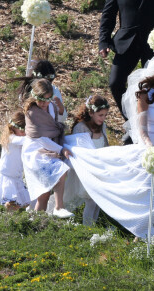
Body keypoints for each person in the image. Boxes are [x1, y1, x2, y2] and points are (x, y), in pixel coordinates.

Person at [63, 54, 154, 246]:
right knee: (148, 192)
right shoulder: (144, 93)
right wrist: (149, 148)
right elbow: (141, 126)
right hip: (151, 147)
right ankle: (140, 231)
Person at [21, 79, 74, 217]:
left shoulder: (51, 106)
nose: (44, 104)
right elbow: (40, 137)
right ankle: (58, 207)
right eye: (41, 100)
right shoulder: (32, 113)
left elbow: (57, 121)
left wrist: (61, 109)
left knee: (44, 194)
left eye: (47, 100)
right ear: (34, 97)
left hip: (49, 146)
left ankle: (35, 224)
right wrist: (61, 149)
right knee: (60, 169)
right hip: (35, 151)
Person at [69, 95, 110, 226]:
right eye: (100, 115)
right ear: (91, 112)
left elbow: (105, 146)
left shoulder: (102, 126)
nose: (103, 118)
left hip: (99, 167)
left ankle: (93, 224)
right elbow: (78, 150)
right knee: (91, 200)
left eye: (105, 115)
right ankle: (88, 228)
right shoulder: (81, 128)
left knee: (98, 200)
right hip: (86, 169)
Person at [0, 110, 30, 211]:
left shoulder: (21, 138)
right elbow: (25, 140)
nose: (24, 134)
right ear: (13, 128)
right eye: (22, 132)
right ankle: (8, 217)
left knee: (23, 202)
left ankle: (14, 217)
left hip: (17, 176)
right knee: (11, 202)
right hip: (7, 176)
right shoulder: (11, 138)